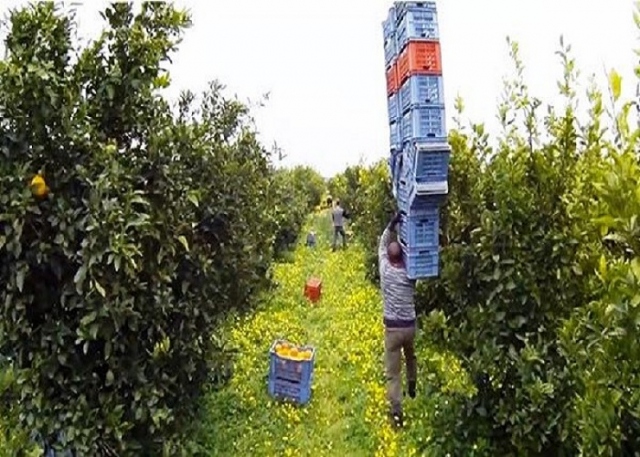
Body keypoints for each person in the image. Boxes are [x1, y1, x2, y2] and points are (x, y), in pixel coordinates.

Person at [378, 211, 417, 428]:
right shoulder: (409, 274)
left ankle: (396, 413)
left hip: (392, 330)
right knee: (411, 356)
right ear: (402, 257)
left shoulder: (385, 270)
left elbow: (383, 244)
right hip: (410, 326)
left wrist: (391, 223)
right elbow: (415, 256)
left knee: (393, 374)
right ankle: (412, 385)